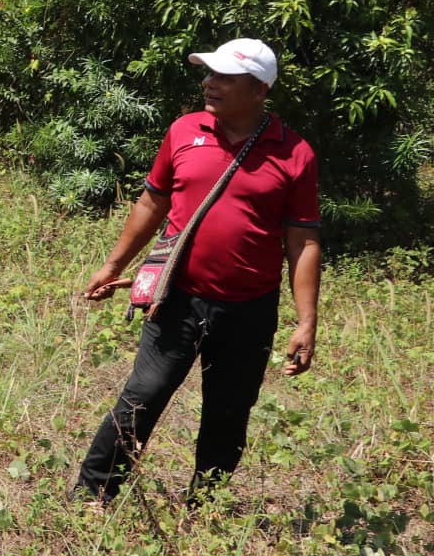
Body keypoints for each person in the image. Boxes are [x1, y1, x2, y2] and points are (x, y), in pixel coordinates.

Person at [77, 38, 321, 503]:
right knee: (140, 398)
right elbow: (152, 201)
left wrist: (306, 320)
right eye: (209, 73)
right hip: (177, 298)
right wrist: (112, 265)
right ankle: (92, 497)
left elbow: (303, 240)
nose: (209, 83)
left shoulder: (294, 154)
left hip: (248, 311)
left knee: (228, 414)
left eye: (225, 76)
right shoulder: (185, 131)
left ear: (259, 89)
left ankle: (204, 505)